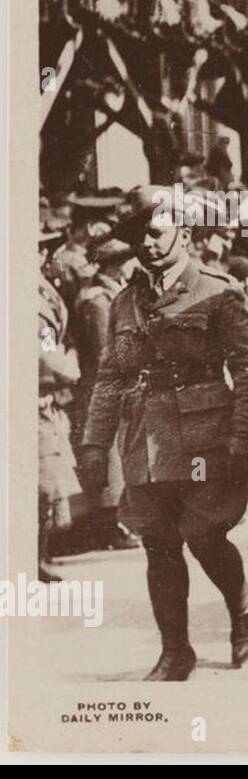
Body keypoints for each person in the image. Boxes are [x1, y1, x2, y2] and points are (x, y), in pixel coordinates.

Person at [79, 194, 248, 681]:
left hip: (206, 435)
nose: (147, 241)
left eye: (157, 230)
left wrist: (245, 436)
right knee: (158, 545)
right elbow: (110, 376)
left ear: (184, 233)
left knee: (204, 534)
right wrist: (94, 442)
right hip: (145, 440)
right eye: (139, 233)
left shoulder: (217, 291)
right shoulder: (125, 302)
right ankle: (175, 651)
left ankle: (243, 603)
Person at [70, 238, 141, 551]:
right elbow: (104, 351)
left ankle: (118, 522)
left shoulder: (114, 294)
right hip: (103, 384)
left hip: (118, 382)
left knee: (117, 452)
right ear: (116, 264)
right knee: (106, 455)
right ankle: (109, 525)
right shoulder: (98, 301)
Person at [39, 227, 83, 582]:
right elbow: (44, 350)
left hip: (45, 394)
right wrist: (69, 367)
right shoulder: (32, 298)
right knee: (43, 480)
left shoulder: (42, 292)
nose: (48, 256)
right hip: (37, 394)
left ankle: (39, 555)